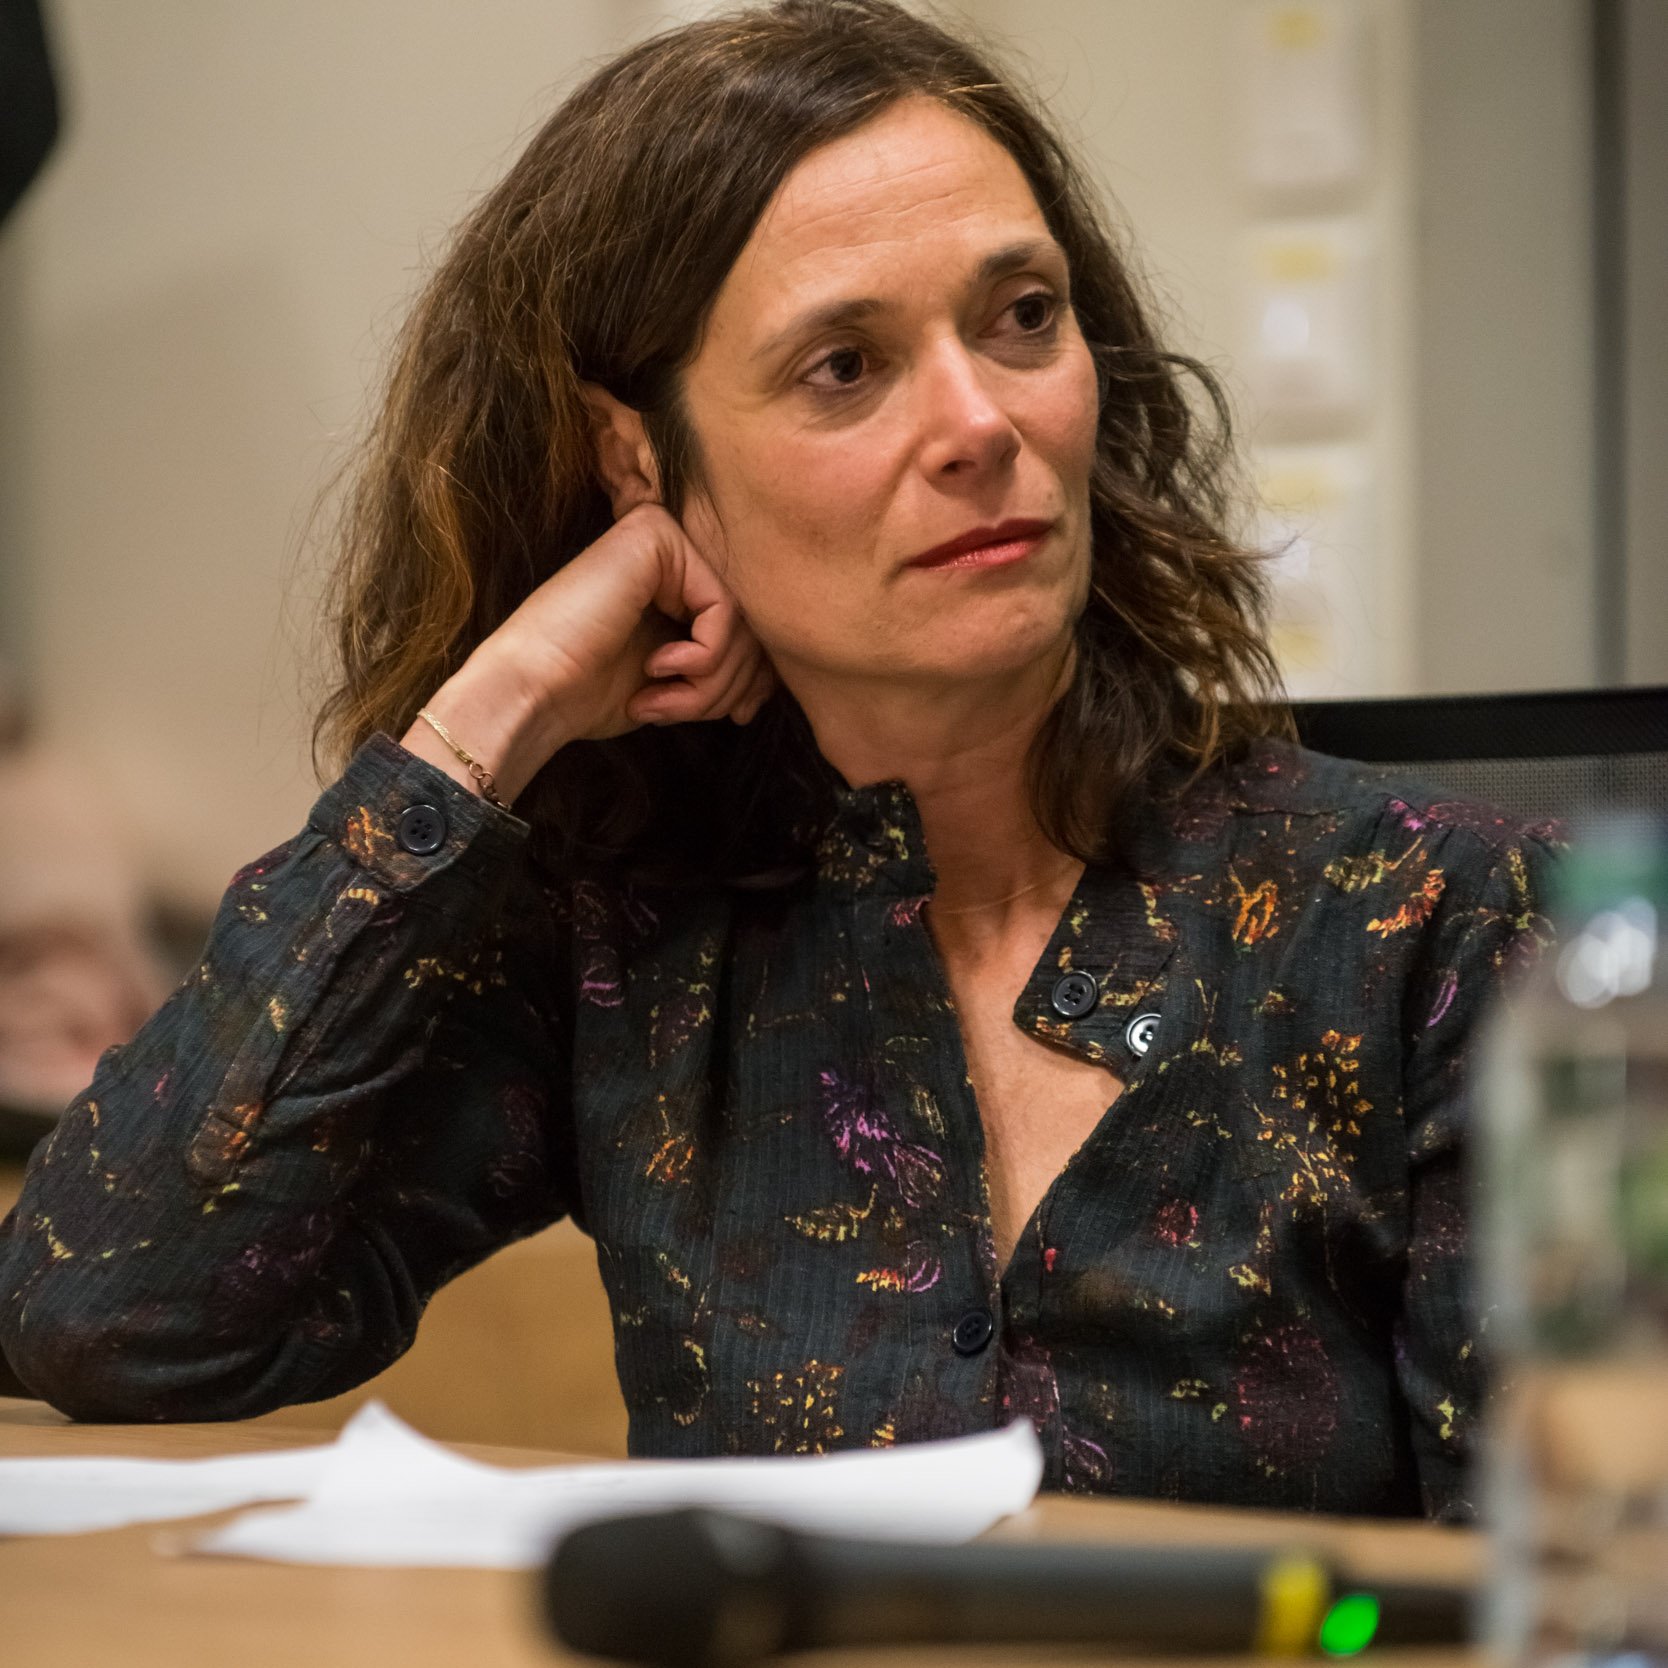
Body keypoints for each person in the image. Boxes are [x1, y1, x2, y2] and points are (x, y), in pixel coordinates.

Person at [0, 0, 1560, 1520]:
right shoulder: (634, 935)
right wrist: (500, 707)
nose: (979, 421)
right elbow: (111, 1317)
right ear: (639, 459)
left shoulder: (1434, 920)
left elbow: (1581, 1571)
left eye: (1023, 316)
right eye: (845, 367)